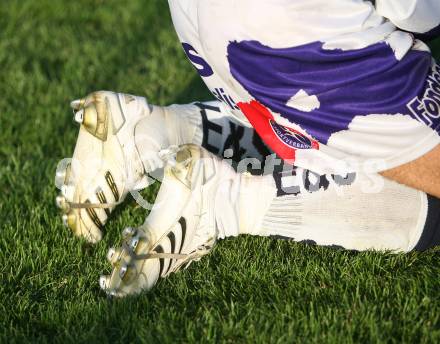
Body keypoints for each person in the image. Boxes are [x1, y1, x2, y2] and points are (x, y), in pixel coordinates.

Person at [55, 1, 440, 297]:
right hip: (285, 26)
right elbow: (415, 12)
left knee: (307, 119)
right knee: (426, 188)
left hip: (203, 15)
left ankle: (150, 132)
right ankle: (226, 200)